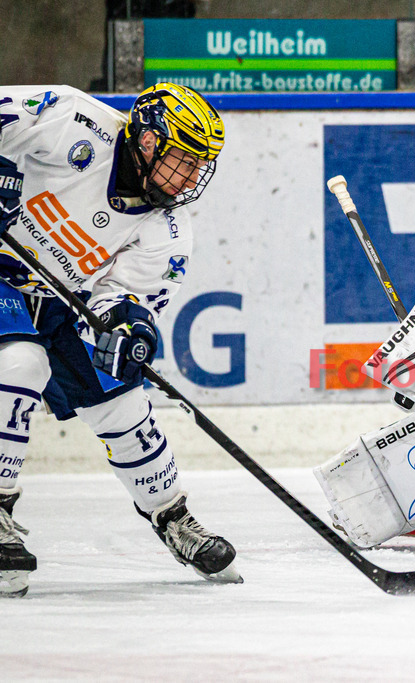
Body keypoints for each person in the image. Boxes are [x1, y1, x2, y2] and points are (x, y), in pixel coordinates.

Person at [0, 82, 240, 597]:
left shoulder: (169, 229)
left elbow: (121, 298)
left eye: (200, 166)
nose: (192, 178)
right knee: (20, 364)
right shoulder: (71, 118)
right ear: (148, 140)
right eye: (185, 160)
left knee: (123, 402)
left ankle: (171, 516)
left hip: (57, 302)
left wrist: (130, 326)